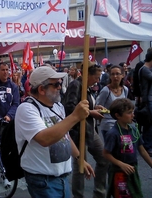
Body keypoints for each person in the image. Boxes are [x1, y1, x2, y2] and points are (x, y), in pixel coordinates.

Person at [15, 66, 95, 198]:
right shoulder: (27, 109)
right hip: (43, 180)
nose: (60, 87)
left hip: (61, 178)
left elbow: (65, 136)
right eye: (56, 84)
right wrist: (75, 116)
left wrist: (80, 158)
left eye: (60, 83)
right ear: (41, 89)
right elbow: (44, 139)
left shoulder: (58, 106)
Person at [63, 61, 108, 198]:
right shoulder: (76, 85)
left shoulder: (87, 87)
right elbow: (70, 107)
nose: (97, 80)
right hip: (78, 131)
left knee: (103, 158)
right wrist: (91, 112)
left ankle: (99, 192)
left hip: (90, 129)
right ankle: (78, 195)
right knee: (80, 167)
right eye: (96, 77)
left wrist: (95, 108)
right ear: (88, 75)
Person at [103, 98, 152, 198]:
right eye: (129, 113)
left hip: (132, 170)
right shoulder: (113, 133)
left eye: (132, 112)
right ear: (118, 116)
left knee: (136, 194)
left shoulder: (134, 129)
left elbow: (141, 149)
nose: (133, 115)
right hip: (119, 171)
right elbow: (106, 153)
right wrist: (121, 164)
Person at [96, 65, 129, 139]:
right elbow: (98, 107)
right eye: (112, 74)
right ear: (110, 76)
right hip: (108, 124)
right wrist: (110, 112)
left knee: (124, 148)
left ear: (122, 75)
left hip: (122, 124)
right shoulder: (106, 90)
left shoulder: (125, 89)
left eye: (117, 74)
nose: (115, 76)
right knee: (112, 149)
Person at [137, 51, 152, 156]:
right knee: (149, 124)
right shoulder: (145, 70)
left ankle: (147, 144)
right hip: (148, 100)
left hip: (148, 99)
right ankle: (147, 145)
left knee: (149, 124)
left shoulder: (145, 68)